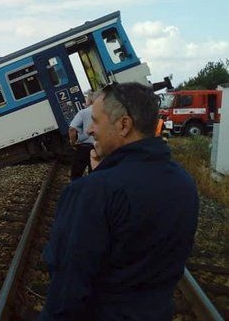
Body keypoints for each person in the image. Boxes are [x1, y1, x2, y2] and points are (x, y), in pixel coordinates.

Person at [41, 82, 199, 320]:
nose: (90, 130)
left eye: (96, 121)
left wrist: (98, 180)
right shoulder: (183, 182)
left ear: (124, 125)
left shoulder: (91, 192)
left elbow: (67, 289)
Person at [68, 93, 95, 180]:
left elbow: (72, 129)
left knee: (76, 174)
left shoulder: (83, 112)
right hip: (99, 147)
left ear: (89, 101)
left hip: (84, 147)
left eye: (86, 99)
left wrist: (73, 142)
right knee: (94, 172)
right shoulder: (104, 111)